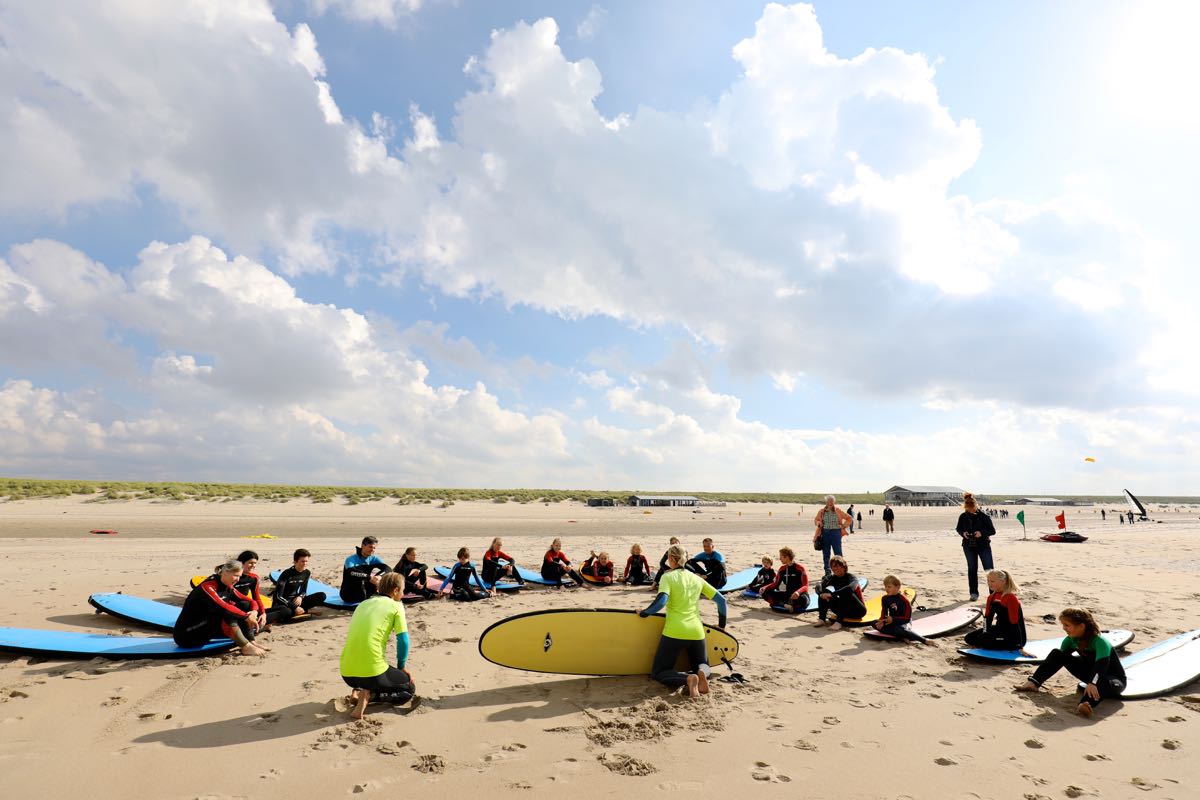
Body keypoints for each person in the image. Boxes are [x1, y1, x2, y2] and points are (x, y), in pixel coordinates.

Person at [639, 544, 728, 699]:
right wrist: (721, 626)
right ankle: (701, 675)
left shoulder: (667, 577)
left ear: (672, 559)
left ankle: (687, 679)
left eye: (668, 557)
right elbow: (722, 601)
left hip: (675, 631)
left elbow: (661, 602)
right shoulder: (696, 579)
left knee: (660, 672)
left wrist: (644, 613)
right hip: (696, 632)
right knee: (702, 665)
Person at [1015, 608, 1126, 718]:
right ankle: (1034, 683)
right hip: (1091, 675)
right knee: (1057, 654)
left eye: (1067, 625)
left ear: (1082, 626)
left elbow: (1101, 667)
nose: (1064, 628)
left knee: (1102, 681)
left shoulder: (1100, 642)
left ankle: (1085, 704)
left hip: (1112, 680)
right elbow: (1056, 660)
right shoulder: (1070, 640)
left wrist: (1092, 683)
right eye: (1063, 625)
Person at [339, 572, 416, 719]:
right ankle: (369, 694)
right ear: (395, 590)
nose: (403, 593)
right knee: (408, 689)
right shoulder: (396, 605)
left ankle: (359, 690)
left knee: (371, 667)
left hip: (346, 672)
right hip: (371, 672)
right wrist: (401, 667)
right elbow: (403, 641)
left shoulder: (363, 603)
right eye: (403, 590)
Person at [174, 559, 267, 655]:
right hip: (186, 636)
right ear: (225, 573)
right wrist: (246, 617)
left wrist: (254, 611)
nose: (238, 580)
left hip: (206, 630)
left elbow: (251, 601)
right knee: (226, 613)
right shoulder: (208, 586)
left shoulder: (228, 586)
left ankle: (251, 641)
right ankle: (245, 646)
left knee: (244, 604)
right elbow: (224, 607)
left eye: (239, 576)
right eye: (236, 576)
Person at [963, 569, 1026, 650]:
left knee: (985, 641)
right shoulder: (991, 597)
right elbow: (987, 619)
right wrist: (985, 632)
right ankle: (989, 641)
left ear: (1003, 582)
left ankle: (1007, 644)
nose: (989, 584)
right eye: (988, 581)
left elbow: (1014, 624)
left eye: (992, 581)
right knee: (969, 638)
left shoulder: (1010, 598)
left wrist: (1019, 646)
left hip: (1013, 636)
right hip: (999, 630)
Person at [956, 492, 996, 601]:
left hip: (983, 546)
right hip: (968, 546)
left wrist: (981, 533)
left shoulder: (984, 517)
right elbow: (958, 529)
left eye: (972, 508)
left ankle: (993, 594)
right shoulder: (963, 517)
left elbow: (992, 531)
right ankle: (973, 593)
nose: (970, 510)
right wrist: (963, 533)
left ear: (975, 505)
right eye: (968, 509)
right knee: (972, 569)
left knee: (989, 570)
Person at [271, 548, 327, 622]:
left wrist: (300, 597)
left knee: (322, 596)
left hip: (296, 601)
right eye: (302, 561)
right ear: (295, 562)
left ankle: (299, 611)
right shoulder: (286, 574)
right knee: (286, 612)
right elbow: (278, 596)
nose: (305, 564)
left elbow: (303, 590)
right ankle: (306, 611)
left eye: (306, 561)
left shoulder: (307, 573)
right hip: (283, 603)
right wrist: (294, 607)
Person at [812, 556, 866, 630]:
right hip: (844, 610)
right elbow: (818, 585)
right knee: (824, 592)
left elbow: (849, 589)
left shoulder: (851, 577)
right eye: (833, 566)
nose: (835, 568)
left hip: (858, 611)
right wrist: (821, 594)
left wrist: (832, 595)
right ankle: (822, 619)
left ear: (844, 567)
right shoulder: (833, 578)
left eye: (837, 566)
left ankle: (838, 623)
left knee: (846, 593)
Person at [874, 575, 931, 644]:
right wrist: (882, 621)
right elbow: (884, 612)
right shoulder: (885, 598)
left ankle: (924, 640)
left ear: (898, 587)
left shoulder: (904, 601)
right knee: (874, 623)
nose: (886, 589)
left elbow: (907, 618)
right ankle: (902, 636)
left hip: (903, 622)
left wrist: (893, 619)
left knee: (899, 629)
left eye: (889, 587)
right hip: (892, 622)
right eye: (885, 586)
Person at [341, 536, 391, 604]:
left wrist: (378, 577)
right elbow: (351, 572)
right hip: (348, 594)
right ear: (362, 546)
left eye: (374, 548)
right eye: (370, 547)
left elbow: (388, 569)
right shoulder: (351, 559)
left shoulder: (373, 558)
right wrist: (369, 577)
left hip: (365, 592)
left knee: (385, 577)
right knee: (360, 581)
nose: (372, 550)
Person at [759, 547, 809, 613]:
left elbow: (805, 586)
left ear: (787, 557)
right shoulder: (782, 569)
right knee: (765, 592)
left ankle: (780, 603)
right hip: (787, 595)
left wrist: (798, 592)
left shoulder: (800, 568)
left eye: (781, 557)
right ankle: (785, 604)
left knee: (803, 599)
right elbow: (775, 584)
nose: (779, 559)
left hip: (799, 595)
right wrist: (764, 588)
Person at [812, 495, 853, 575]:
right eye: (828, 501)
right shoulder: (821, 511)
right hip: (825, 533)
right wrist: (818, 523)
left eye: (832, 501)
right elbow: (816, 520)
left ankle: (841, 569)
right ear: (826, 502)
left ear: (834, 502)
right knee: (826, 553)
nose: (830, 503)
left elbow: (849, 518)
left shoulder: (838, 510)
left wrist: (844, 526)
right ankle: (827, 571)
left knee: (838, 553)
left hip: (836, 533)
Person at [231, 550, 272, 630]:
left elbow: (256, 598)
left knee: (284, 610)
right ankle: (259, 625)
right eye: (250, 563)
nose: (253, 565)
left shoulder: (254, 578)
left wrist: (263, 613)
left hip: (247, 608)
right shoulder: (232, 576)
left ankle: (260, 621)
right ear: (241, 563)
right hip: (232, 607)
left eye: (255, 563)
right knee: (245, 604)